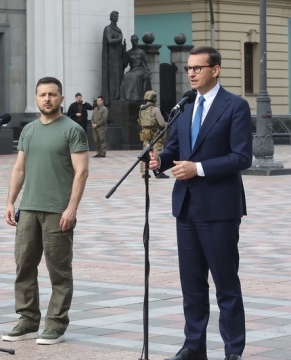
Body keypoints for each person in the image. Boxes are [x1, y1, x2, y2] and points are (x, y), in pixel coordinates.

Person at [149, 46, 252, 360]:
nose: (191, 72)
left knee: (225, 284)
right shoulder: (184, 107)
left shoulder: (235, 106)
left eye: (197, 67)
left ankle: (233, 351)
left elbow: (241, 157)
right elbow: (177, 150)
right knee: (192, 285)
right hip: (187, 207)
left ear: (215, 70)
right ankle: (194, 346)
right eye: (188, 68)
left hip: (220, 209)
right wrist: (160, 160)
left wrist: (199, 169)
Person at [2, 76, 89, 345]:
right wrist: (10, 202)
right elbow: (19, 168)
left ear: (61, 98)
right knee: (24, 266)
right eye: (42, 94)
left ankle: (56, 324)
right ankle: (28, 320)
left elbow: (82, 172)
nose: (47, 99)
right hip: (28, 209)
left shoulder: (73, 130)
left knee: (58, 270)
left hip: (57, 211)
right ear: (36, 98)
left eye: (52, 94)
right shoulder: (28, 130)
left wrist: (71, 208)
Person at [138, 90, 169, 178]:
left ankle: (144, 172)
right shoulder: (155, 109)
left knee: (145, 152)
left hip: (145, 133)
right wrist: (168, 124)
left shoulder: (142, 109)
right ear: (153, 98)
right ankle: (158, 171)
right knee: (158, 152)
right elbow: (162, 123)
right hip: (156, 134)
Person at [101, 11, 125, 105]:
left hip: (118, 55)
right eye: (115, 15)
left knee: (119, 74)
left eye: (117, 15)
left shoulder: (118, 29)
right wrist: (120, 38)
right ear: (111, 17)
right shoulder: (108, 28)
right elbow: (110, 40)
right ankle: (112, 96)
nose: (116, 17)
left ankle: (118, 94)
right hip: (112, 56)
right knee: (113, 75)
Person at [121, 34, 151, 101]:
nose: (135, 42)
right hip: (132, 70)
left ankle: (134, 96)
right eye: (134, 41)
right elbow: (125, 64)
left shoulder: (141, 52)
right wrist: (123, 54)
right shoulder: (129, 53)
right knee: (126, 77)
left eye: (136, 41)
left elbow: (147, 63)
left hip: (140, 70)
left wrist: (149, 70)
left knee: (135, 77)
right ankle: (125, 96)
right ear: (131, 42)